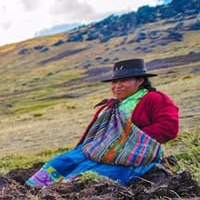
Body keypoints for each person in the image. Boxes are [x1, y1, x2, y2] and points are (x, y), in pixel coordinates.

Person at [26, 58, 179, 187]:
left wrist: (125, 142)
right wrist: (102, 145)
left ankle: (60, 196)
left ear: (140, 80)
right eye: (114, 82)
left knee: (92, 175)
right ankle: (33, 192)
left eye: (123, 80)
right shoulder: (114, 105)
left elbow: (169, 128)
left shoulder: (155, 99)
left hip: (133, 155)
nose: (116, 86)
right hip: (101, 149)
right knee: (62, 162)